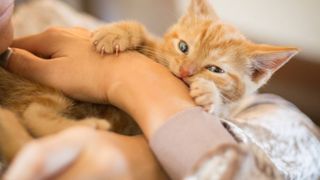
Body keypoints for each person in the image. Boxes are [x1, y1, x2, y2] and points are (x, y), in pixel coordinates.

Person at [1, 1, 319, 179]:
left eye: (215, 69)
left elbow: (301, 137)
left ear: (259, 72)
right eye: (183, 48)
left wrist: (129, 74)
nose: (185, 70)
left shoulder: (44, 16)